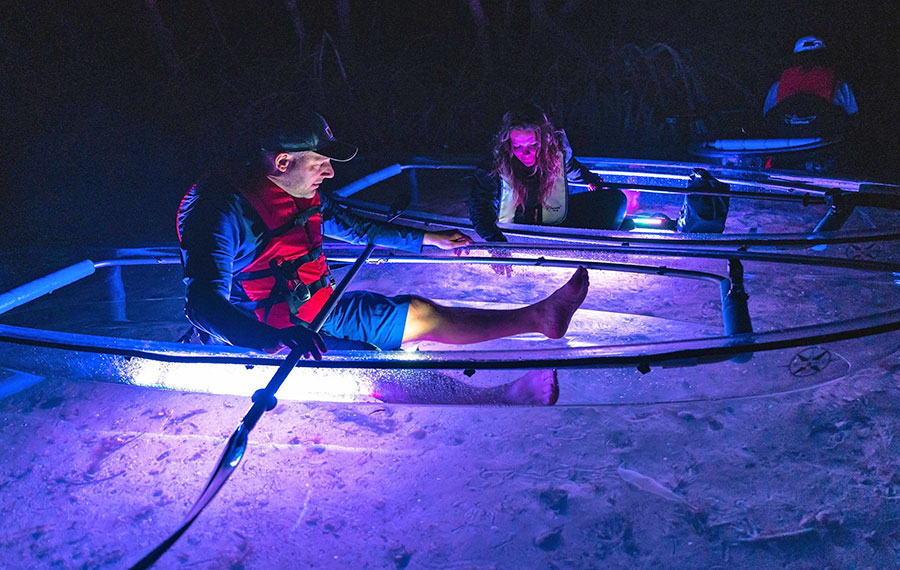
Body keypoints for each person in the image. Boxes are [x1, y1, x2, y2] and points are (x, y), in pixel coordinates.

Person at [177, 106, 590, 405]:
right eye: (321, 163)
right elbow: (203, 304)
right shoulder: (217, 209)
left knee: (421, 312)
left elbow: (354, 226)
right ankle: (502, 397)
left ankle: (539, 317)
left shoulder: (297, 187)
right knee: (378, 365)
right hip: (268, 332)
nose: (330, 173)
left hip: (319, 305)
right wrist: (268, 340)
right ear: (283, 161)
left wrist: (429, 237)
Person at [467, 103, 630, 242]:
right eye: (517, 147)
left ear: (544, 141)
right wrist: (497, 242)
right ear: (508, 143)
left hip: (554, 217)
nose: (526, 153)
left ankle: (603, 239)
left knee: (616, 200)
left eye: (532, 145)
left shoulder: (556, 149)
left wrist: (589, 178)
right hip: (520, 227)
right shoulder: (495, 163)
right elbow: (480, 205)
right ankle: (604, 239)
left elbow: (569, 166)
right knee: (621, 223)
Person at [762, 36, 858, 121]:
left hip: (787, 137)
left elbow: (767, 117)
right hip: (825, 139)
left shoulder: (777, 86)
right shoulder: (840, 85)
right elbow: (853, 116)